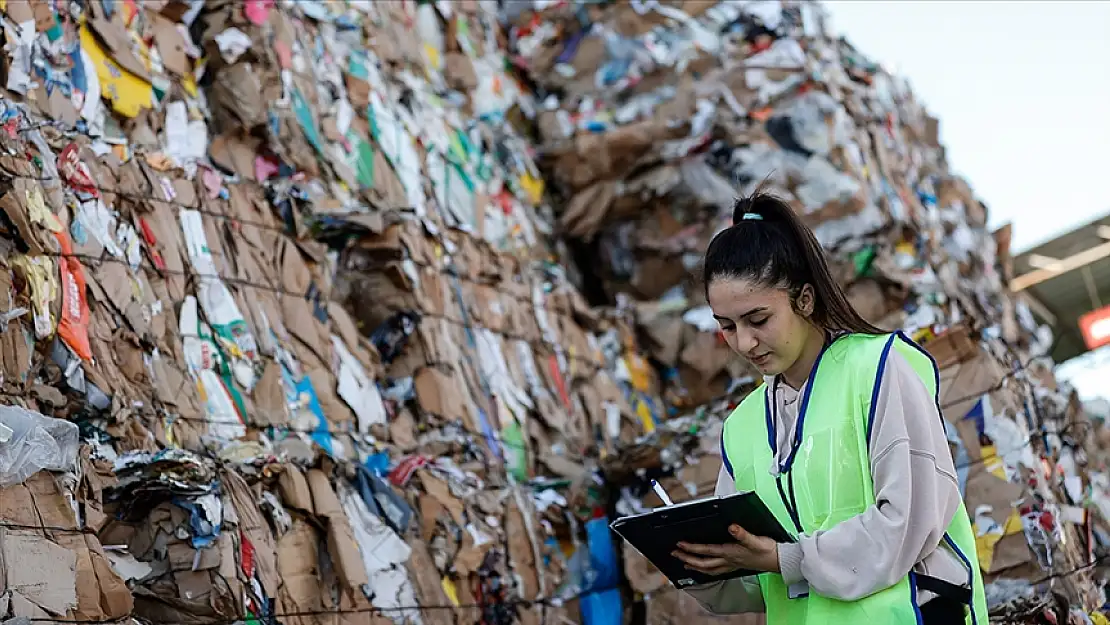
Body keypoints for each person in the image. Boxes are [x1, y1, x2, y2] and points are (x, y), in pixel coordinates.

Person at [675, 192, 988, 625]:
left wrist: (788, 558)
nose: (744, 342)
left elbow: (908, 524)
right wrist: (703, 566)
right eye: (727, 327)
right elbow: (758, 581)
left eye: (758, 320)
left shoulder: (877, 369)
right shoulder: (743, 428)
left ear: (804, 299)